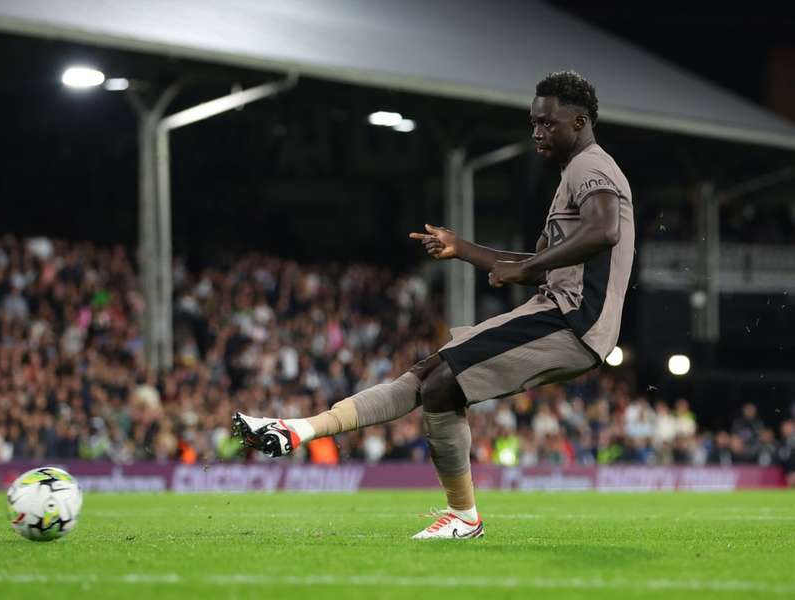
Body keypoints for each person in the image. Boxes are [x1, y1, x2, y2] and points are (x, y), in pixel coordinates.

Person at [233, 70, 635, 540]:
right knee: (428, 375)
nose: (537, 132)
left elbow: (605, 230)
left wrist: (527, 271)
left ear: (580, 121)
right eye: (533, 123)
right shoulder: (572, 175)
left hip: (573, 321)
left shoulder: (592, 166)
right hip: (555, 313)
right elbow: (538, 263)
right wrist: (462, 248)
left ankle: (463, 517)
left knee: (443, 384)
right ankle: (298, 429)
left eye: (547, 123)